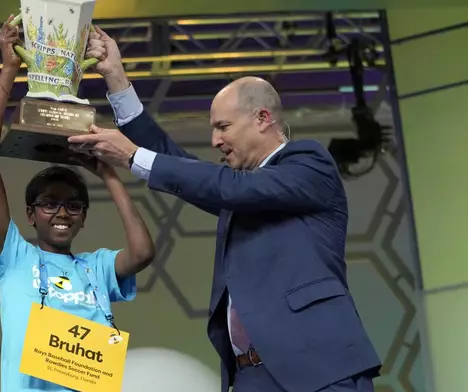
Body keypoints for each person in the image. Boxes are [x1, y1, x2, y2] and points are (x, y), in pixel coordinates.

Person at [66, 26, 382, 392]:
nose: (215, 140)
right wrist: (116, 79)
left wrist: (133, 156)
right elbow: (181, 165)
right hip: (250, 377)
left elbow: (229, 186)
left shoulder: (309, 163)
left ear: (263, 118)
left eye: (224, 127)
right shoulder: (239, 191)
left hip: (320, 370)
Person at [0, 16, 156, 392]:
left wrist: (108, 174)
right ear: (30, 213)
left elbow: (141, 253)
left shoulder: (95, 268)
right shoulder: (13, 257)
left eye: (73, 206)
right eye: (50, 204)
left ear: (83, 218)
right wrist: (9, 71)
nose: (61, 213)